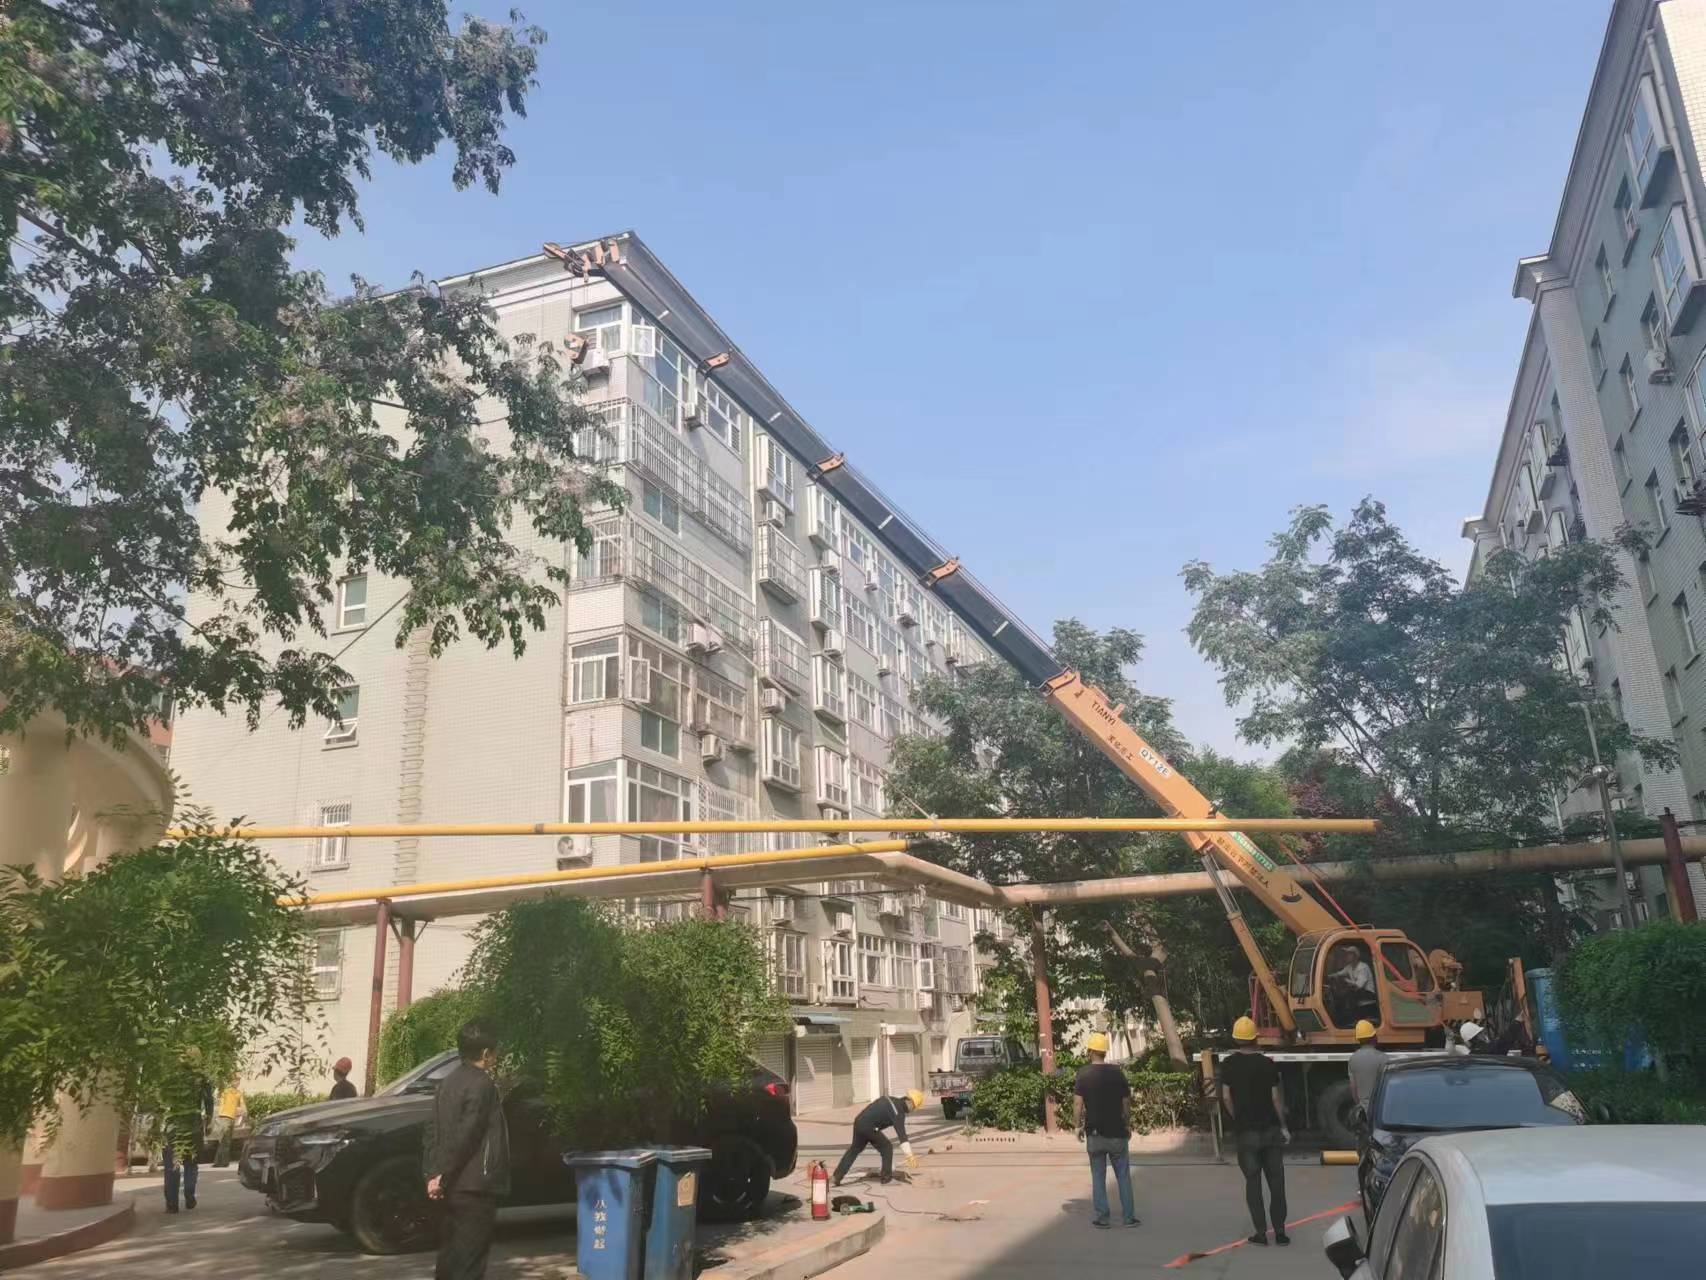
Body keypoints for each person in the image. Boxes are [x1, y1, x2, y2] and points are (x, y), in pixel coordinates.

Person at [424, 1021, 510, 1280]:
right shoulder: (483, 1085)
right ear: (486, 1053)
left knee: (449, 1259)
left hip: (448, 1187)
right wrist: (444, 1175)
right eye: (495, 1051)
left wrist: (433, 1175)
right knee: (469, 1264)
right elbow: (468, 1135)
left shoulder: (447, 1082)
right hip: (474, 1187)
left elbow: (431, 1131)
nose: (497, 1055)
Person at [1219, 1016, 1291, 1247]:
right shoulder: (1268, 1064)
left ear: (1236, 1039)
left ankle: (1261, 1233)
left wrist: (1237, 1118)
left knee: (1253, 1182)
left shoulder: (1228, 1065)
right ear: (1255, 1038)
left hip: (1246, 1133)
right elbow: (1275, 1098)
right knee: (1276, 1182)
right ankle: (1280, 1233)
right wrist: (1283, 1126)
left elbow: (1226, 1097)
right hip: (1270, 1130)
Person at [1072, 1031, 1138, 1229]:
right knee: (1123, 1176)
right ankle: (1129, 1218)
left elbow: (1077, 1104)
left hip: (1094, 1134)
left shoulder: (1083, 1073)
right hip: (1117, 1133)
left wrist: (1077, 1125)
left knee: (1098, 1177)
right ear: (1104, 1052)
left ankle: (1103, 1218)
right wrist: (1127, 1124)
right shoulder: (1117, 1072)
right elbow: (1126, 1103)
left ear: (1091, 1051)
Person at [832, 1088, 923, 1186]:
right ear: (910, 1102)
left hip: (859, 1121)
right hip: (869, 1127)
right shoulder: (898, 1112)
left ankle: (836, 1177)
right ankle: (886, 1179)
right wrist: (909, 1155)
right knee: (887, 1147)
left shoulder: (890, 1099)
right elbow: (902, 1136)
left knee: (854, 1150)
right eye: (914, 1107)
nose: (913, 1110)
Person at [162, 1047, 215, 1214]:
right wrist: (208, 1121)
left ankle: (172, 1204)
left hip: (174, 1125)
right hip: (193, 1125)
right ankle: (189, 1194)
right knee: (191, 1163)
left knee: (173, 1164)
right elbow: (209, 1102)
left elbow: (162, 1100)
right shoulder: (202, 1078)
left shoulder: (171, 1077)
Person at [1346, 1020, 1387, 1115]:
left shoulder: (1353, 1059)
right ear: (1373, 1037)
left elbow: (1353, 1088)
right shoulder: (1383, 1058)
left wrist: (1360, 1105)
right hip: (1380, 1109)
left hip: (1364, 1110)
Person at [211, 1081, 245, 1167]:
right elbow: (219, 1099)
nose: (237, 1083)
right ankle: (221, 1162)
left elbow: (242, 1105)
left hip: (229, 1118)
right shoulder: (226, 1092)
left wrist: (244, 1113)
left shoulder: (237, 1093)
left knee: (225, 1140)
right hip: (225, 1117)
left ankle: (221, 1162)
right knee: (224, 1140)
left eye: (238, 1081)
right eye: (236, 1081)